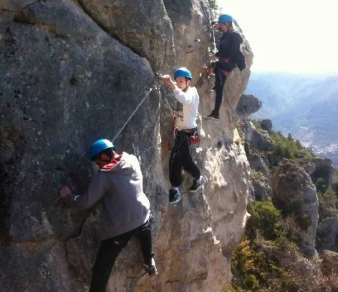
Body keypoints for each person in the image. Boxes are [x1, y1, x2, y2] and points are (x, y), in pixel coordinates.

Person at [59, 139, 157, 292]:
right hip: (143, 214)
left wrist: (69, 197)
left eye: (98, 162)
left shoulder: (104, 176)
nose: (98, 166)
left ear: (104, 157)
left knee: (102, 268)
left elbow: (85, 201)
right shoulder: (132, 159)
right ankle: (149, 260)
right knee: (145, 228)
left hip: (121, 228)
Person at [162, 67, 207, 205]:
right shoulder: (183, 89)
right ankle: (199, 179)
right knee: (186, 161)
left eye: (181, 81)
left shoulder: (192, 93)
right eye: (177, 81)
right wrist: (172, 84)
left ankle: (175, 189)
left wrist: (172, 85)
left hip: (187, 132)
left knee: (175, 157)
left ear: (188, 81)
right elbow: (180, 91)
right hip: (181, 131)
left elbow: (185, 99)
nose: (179, 83)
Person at [205, 14, 245, 120]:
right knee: (218, 81)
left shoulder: (235, 36)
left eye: (222, 25)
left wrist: (229, 66)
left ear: (227, 24)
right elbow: (223, 50)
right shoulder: (225, 35)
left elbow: (233, 52)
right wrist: (216, 55)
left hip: (227, 66)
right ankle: (216, 85)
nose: (221, 27)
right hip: (224, 64)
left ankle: (216, 113)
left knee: (220, 89)